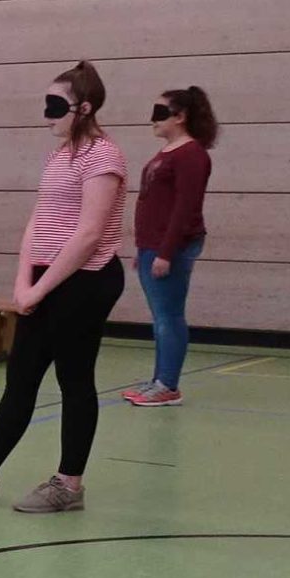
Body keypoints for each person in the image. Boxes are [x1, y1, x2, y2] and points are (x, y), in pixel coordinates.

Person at [0, 61, 128, 515]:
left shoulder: (104, 157)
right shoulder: (60, 155)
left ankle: (68, 485)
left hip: (86, 280)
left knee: (74, 378)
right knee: (21, 377)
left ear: (84, 108)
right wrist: (23, 280)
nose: (47, 114)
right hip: (47, 279)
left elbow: (89, 233)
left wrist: (42, 288)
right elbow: (39, 219)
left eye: (56, 105)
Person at [124, 86, 217, 408]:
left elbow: (185, 208)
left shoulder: (191, 155)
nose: (154, 120)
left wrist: (165, 252)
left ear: (180, 116)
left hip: (171, 247)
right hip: (153, 245)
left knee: (169, 316)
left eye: (161, 113)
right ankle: (159, 379)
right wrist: (144, 249)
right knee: (160, 316)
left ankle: (168, 385)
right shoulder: (169, 153)